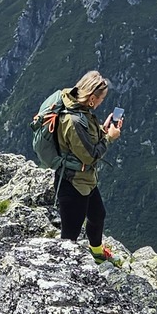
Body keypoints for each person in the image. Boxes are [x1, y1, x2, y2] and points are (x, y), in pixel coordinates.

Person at [55, 69, 123, 261]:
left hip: (85, 180)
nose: (101, 103)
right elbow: (89, 156)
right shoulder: (74, 120)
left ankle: (97, 253)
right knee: (70, 235)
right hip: (73, 183)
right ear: (92, 98)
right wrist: (109, 138)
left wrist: (103, 130)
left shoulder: (81, 110)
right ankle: (63, 271)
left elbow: (85, 141)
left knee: (98, 215)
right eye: (101, 99)